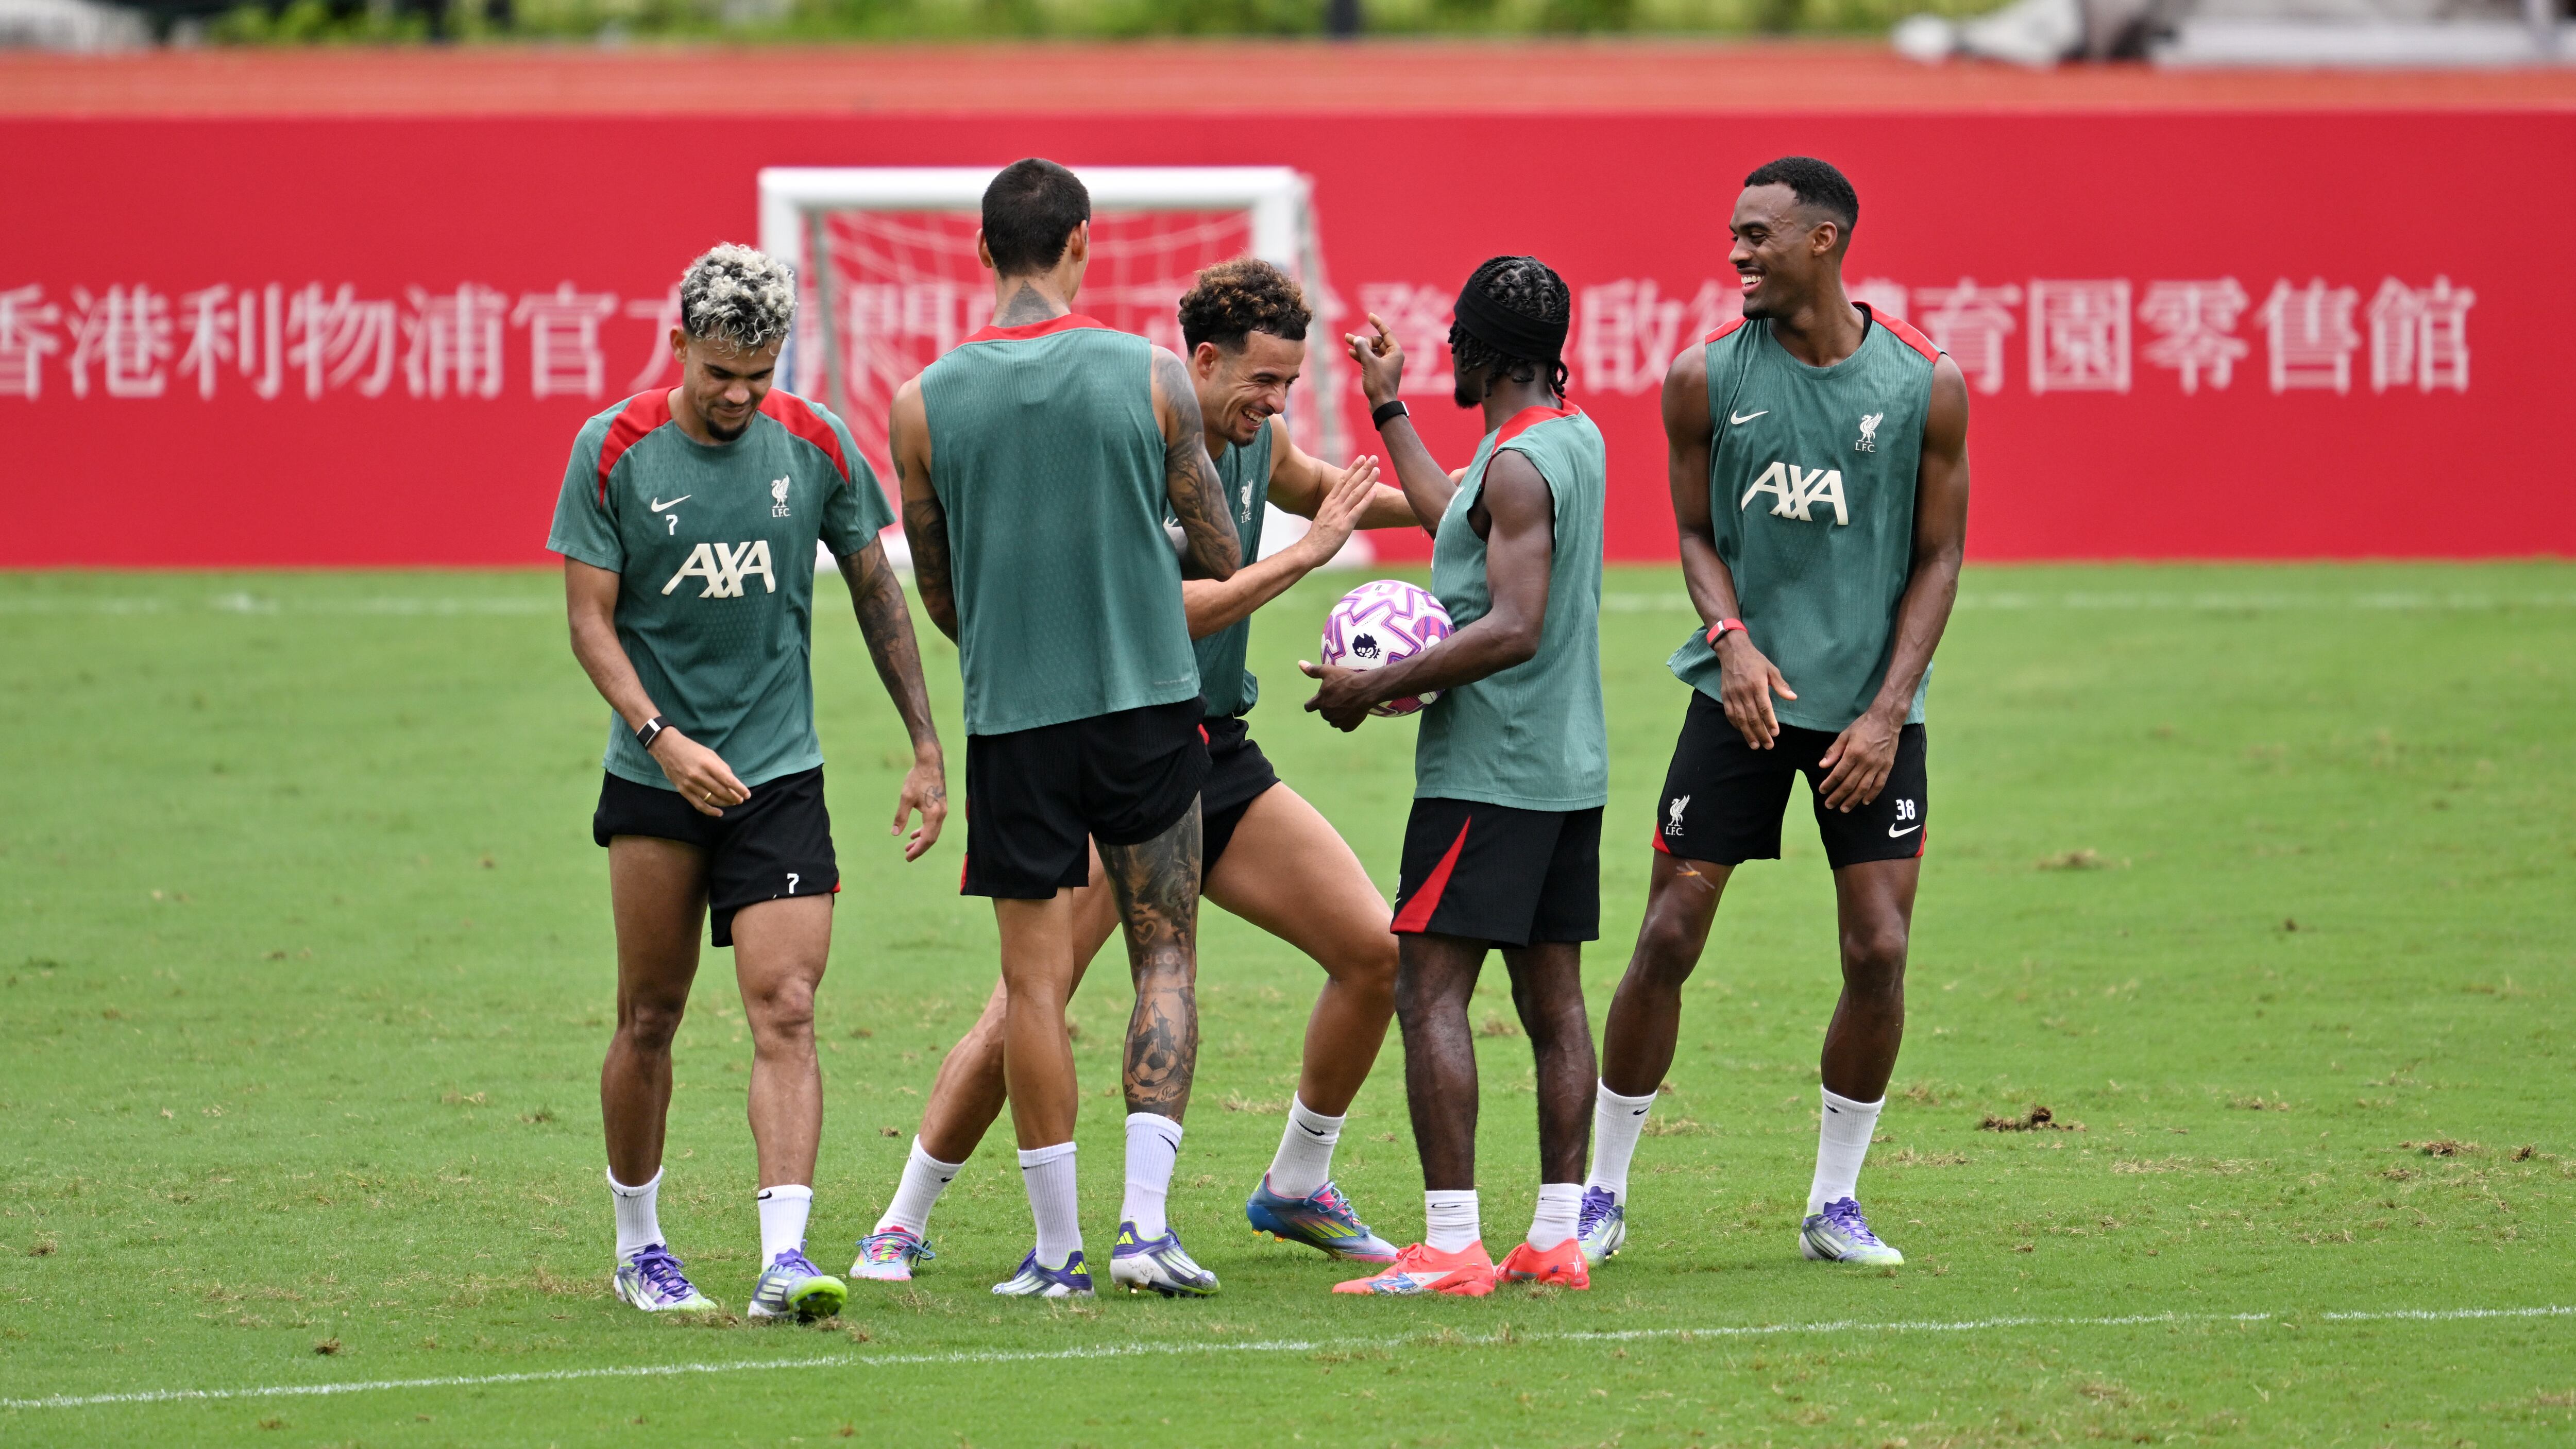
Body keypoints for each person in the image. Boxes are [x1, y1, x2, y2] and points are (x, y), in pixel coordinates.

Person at [851, 259, 1421, 1295]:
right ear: (1200, 363)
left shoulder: (1262, 445)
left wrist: (1458, 505)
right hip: (1121, 744)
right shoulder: (1129, 441)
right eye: (1262, 383)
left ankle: (1296, 1183)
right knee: (1032, 994)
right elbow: (1177, 606)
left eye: (1290, 384)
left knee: (1376, 952)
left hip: (1215, 754)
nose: (1276, 404)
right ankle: (903, 1217)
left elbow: (1336, 495)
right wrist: (1313, 554)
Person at [548, 243, 948, 1321]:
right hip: (657, 777)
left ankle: (784, 1257)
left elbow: (877, 589)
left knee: (787, 1006)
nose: (737, 395)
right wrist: (661, 736)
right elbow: (590, 620)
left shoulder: (812, 442)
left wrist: (924, 743)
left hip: (779, 776)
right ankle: (641, 1247)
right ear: (678, 343)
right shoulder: (612, 449)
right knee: (650, 1014)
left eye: (757, 375)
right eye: (719, 372)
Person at [1586, 156, 1971, 1270]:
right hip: (1741, 702)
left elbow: (1940, 554)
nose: (1736, 252)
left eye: (1758, 234)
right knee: (1665, 935)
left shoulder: (1922, 383)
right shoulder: (1703, 378)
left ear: (1825, 240)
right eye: (1732, 234)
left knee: (1879, 952)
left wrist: (1889, 711)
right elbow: (1696, 534)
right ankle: (1601, 1195)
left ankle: (1834, 1205)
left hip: (1870, 718)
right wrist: (1731, 641)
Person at [888, 158, 1243, 1299]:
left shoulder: (922, 404)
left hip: (1016, 721)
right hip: (1144, 701)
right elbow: (1220, 550)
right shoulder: (1150, 376)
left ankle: (1056, 1253)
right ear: (1082, 243)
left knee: (1031, 990)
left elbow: (938, 593)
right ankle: (1146, 1226)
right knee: (1166, 955)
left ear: (984, 254)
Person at [1304, 255, 1609, 1298]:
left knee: (1430, 988)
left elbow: (1513, 627)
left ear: (1482, 353)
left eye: (1450, 350)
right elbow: (1464, 527)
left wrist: (1374, 681)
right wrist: (1388, 407)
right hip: (1567, 769)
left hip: (1492, 775)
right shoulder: (1564, 442)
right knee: (1554, 1000)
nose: (1445, 364)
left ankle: (1449, 1247)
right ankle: (1557, 1239)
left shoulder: (1520, 465)